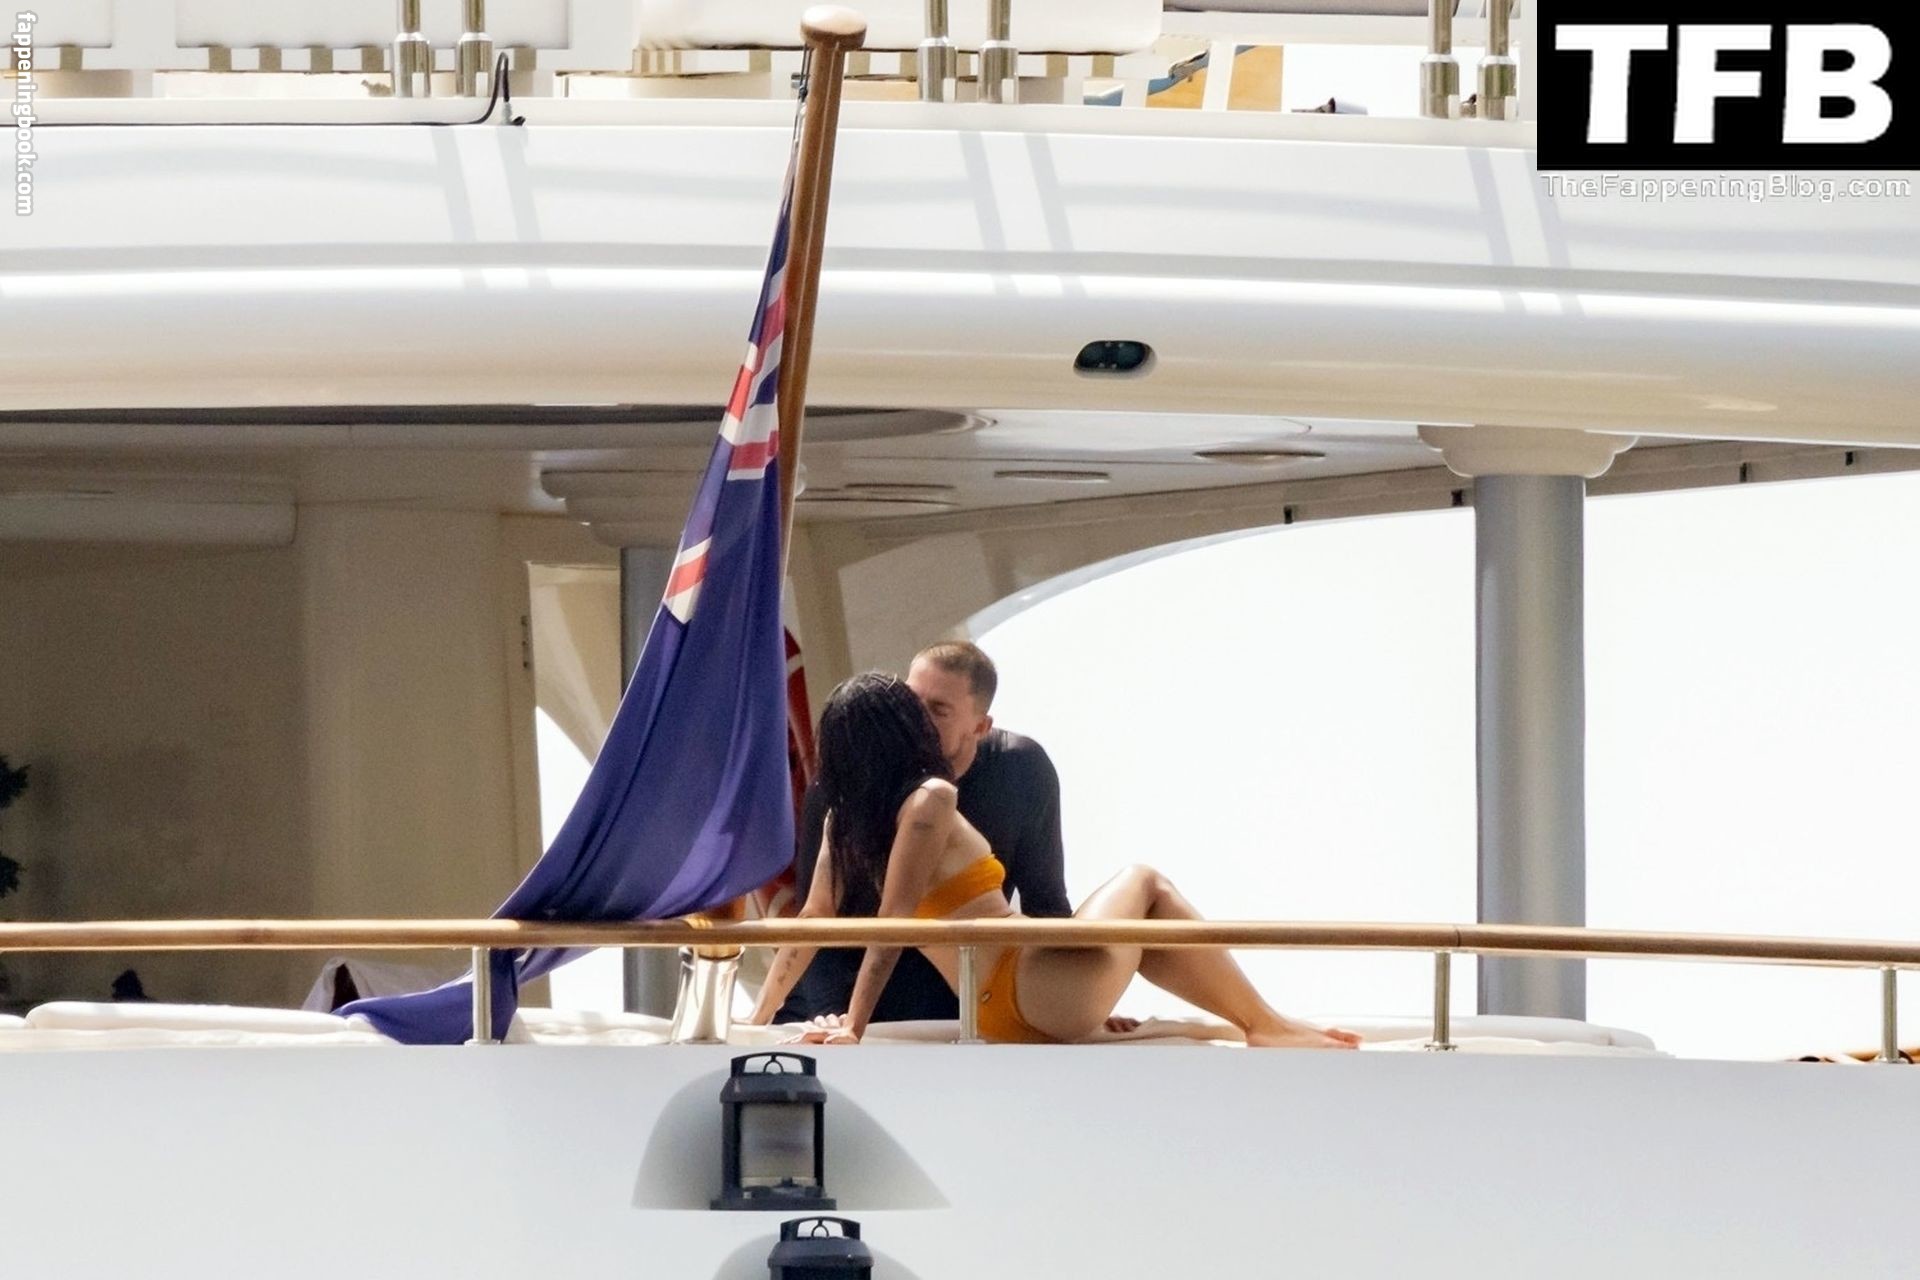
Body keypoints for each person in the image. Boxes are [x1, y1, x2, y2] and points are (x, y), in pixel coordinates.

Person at [749, 673, 1359, 1049]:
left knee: (1142, 928)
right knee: (1144, 880)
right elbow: (893, 924)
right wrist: (852, 1028)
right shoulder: (930, 799)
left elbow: (811, 921)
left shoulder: (844, 820)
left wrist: (760, 1016)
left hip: (998, 1006)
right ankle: (1265, 1023)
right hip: (1032, 991)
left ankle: (1260, 1022)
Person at [773, 641, 1075, 1023]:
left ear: (980, 727)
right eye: (911, 702)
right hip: (847, 1003)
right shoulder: (847, 780)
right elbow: (817, 918)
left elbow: (1046, 905)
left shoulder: (1021, 770)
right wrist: (835, 1017)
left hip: (965, 1003)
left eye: (938, 710)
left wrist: (1077, 1005)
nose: (916, 720)